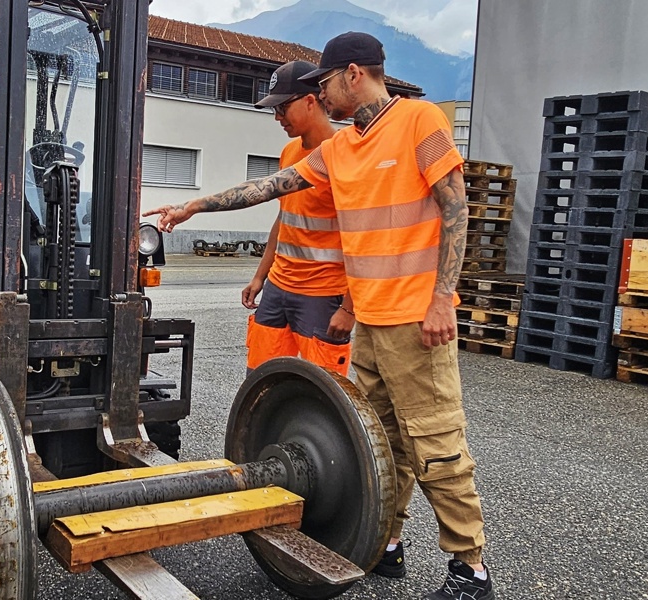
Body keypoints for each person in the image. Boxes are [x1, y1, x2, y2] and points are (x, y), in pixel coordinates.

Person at [143, 31, 494, 600]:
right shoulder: (339, 149)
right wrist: (196, 204)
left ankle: (469, 569)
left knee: (435, 444)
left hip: (414, 318)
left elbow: (457, 207)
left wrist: (440, 299)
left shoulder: (419, 121)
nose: (321, 96)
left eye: (324, 83)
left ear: (354, 74)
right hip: (374, 326)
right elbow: (271, 188)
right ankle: (387, 543)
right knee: (381, 444)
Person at [241, 60, 352, 375]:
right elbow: (284, 217)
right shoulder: (289, 153)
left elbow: (362, 239)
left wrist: (348, 307)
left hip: (322, 294)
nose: (277, 117)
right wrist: (260, 276)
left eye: (282, 108)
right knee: (260, 378)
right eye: (273, 110)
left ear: (309, 101)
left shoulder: (344, 156)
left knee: (323, 392)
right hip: (278, 287)